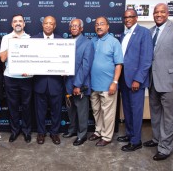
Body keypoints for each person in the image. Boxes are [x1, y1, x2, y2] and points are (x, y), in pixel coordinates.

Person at [143, 3, 173, 161]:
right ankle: (157, 139)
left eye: (162, 12)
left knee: (169, 117)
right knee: (156, 114)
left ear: (168, 13)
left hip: (171, 82)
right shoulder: (150, 32)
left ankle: (165, 148)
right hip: (153, 82)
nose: (158, 14)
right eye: (156, 12)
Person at [117, 9, 153, 152]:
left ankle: (136, 141)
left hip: (135, 81)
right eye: (125, 17)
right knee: (127, 110)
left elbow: (146, 59)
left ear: (136, 18)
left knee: (136, 111)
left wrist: (138, 79)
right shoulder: (123, 35)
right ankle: (130, 134)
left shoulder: (144, 33)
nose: (127, 19)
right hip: (124, 79)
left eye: (130, 17)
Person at [89, 16, 123, 147]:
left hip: (108, 85)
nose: (99, 26)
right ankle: (98, 131)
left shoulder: (114, 42)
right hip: (93, 84)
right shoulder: (92, 41)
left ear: (107, 26)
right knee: (96, 110)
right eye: (97, 24)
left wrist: (114, 82)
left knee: (107, 113)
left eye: (102, 24)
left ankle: (107, 136)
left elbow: (119, 64)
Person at [0, 14, 33, 143]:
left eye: (20, 21)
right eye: (15, 21)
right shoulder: (6, 38)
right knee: (12, 106)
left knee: (27, 106)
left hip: (26, 78)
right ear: (12, 24)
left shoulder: (30, 39)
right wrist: (12, 44)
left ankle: (26, 131)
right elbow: (2, 58)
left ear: (24, 24)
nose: (18, 23)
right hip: (10, 77)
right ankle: (14, 131)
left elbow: (34, 59)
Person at [32, 16, 64, 145]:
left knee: (56, 111)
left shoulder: (62, 41)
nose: (48, 25)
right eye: (46, 23)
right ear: (42, 25)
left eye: (51, 23)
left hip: (56, 83)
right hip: (39, 83)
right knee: (40, 111)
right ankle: (41, 132)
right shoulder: (33, 40)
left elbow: (65, 60)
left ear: (55, 26)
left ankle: (54, 133)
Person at [63, 18, 94, 146]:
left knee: (81, 112)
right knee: (71, 110)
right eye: (72, 26)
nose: (74, 28)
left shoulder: (87, 43)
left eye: (77, 26)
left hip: (80, 84)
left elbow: (85, 66)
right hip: (67, 83)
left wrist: (77, 84)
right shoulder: (67, 43)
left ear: (81, 28)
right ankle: (72, 130)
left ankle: (82, 135)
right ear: (70, 28)